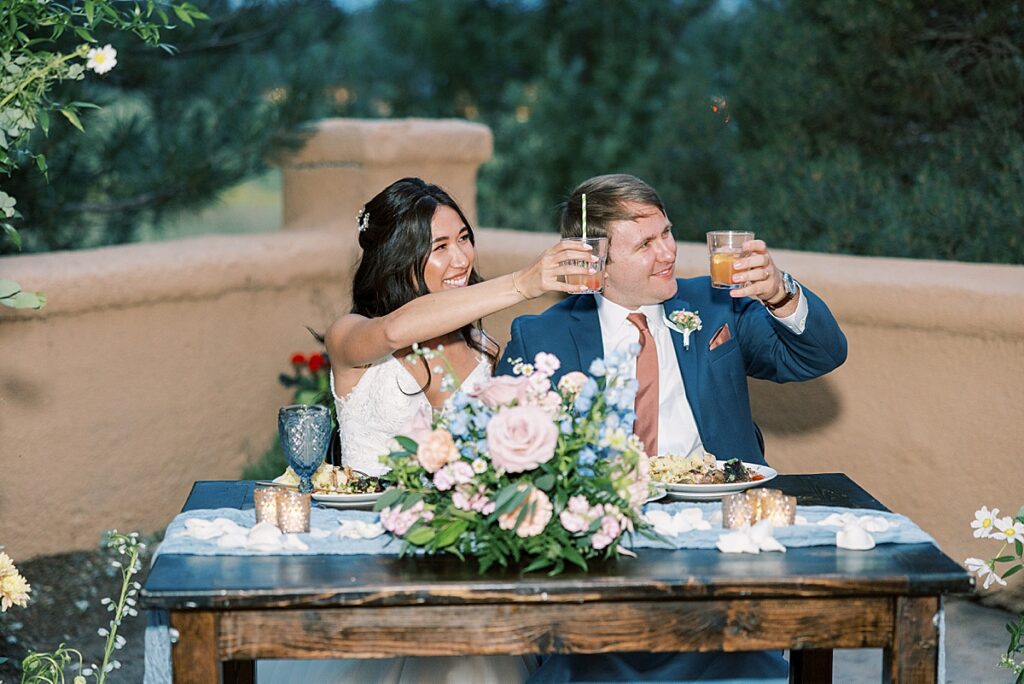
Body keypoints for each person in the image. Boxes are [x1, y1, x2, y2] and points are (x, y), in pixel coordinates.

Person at [498, 174, 848, 683]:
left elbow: (821, 353)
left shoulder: (715, 304)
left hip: (724, 538)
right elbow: (508, 455)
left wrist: (780, 293)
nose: (668, 252)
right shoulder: (541, 336)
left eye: (667, 233)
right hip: (608, 553)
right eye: (644, 244)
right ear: (595, 259)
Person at [258, 176, 596, 684]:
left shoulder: (486, 349)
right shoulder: (352, 335)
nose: (460, 258)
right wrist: (521, 283)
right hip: (363, 564)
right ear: (396, 256)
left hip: (451, 563)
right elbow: (397, 330)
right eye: (439, 247)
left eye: (464, 238)